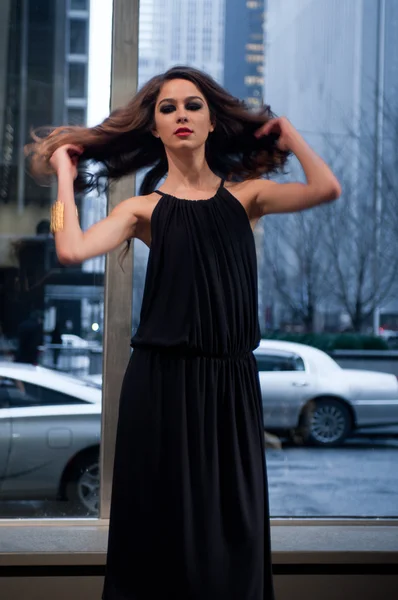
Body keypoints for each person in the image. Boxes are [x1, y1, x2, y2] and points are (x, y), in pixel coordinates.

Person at [26, 66, 341, 600]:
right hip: (161, 389)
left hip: (231, 388)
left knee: (232, 541)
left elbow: (326, 187)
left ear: (213, 121)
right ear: (154, 128)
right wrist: (63, 176)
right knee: (157, 540)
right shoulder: (141, 209)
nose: (181, 116)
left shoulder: (249, 198)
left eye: (192, 106)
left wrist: (287, 132)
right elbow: (70, 249)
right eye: (167, 109)